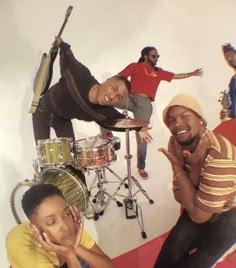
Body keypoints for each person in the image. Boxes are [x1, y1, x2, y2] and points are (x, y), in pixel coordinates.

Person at [153, 94, 236, 268]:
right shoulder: (181, 146)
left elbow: (198, 216)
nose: (177, 124)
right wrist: (192, 168)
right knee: (171, 249)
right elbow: (179, 195)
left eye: (185, 116)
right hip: (200, 201)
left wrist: (178, 168)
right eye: (171, 120)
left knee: (199, 262)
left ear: (202, 121)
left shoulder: (219, 158)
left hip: (231, 212)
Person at [101, 46, 203, 179]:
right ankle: (106, 132)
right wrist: (104, 85)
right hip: (129, 98)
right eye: (154, 56)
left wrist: (191, 73)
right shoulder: (135, 66)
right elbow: (120, 77)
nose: (157, 58)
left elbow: (176, 76)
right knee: (104, 100)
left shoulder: (159, 72)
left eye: (157, 56)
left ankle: (141, 167)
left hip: (144, 104)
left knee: (142, 137)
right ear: (145, 56)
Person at [6, 183, 115, 268]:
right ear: (36, 229)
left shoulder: (71, 226)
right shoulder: (26, 250)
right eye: (52, 222)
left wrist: (77, 247)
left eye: (67, 213)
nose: (66, 227)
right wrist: (69, 254)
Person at [222, 43, 236, 118]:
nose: (229, 59)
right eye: (227, 58)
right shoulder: (233, 81)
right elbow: (233, 106)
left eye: (231, 55)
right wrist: (227, 113)